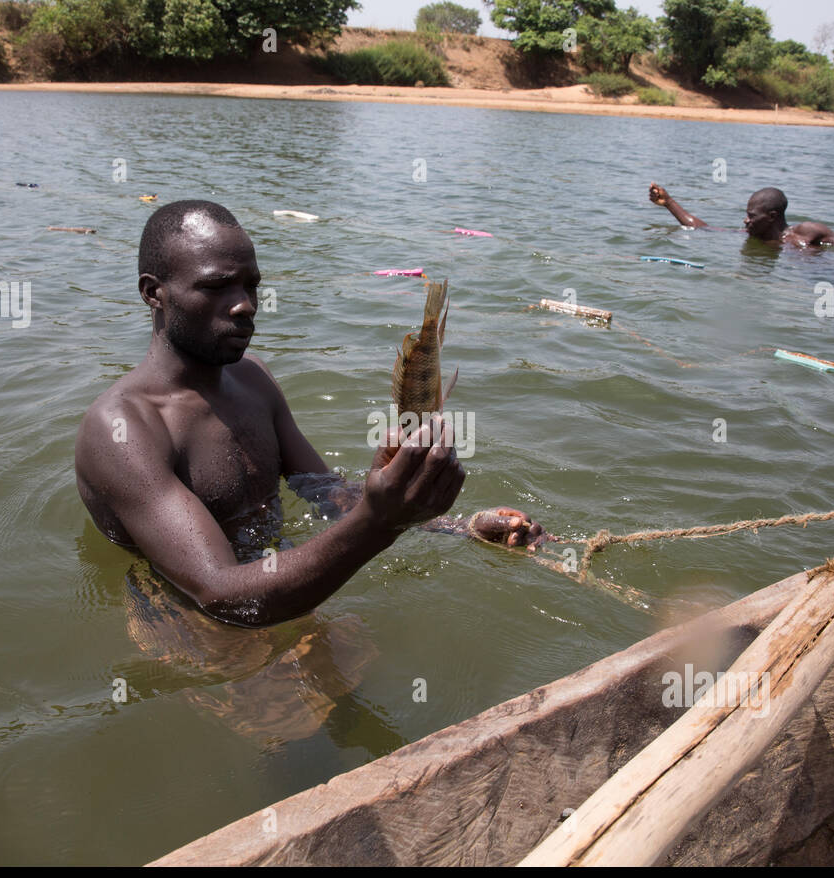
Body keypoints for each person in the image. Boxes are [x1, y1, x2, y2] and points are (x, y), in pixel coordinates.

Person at [75, 200, 544, 628]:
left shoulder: (252, 379)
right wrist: (378, 523)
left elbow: (327, 495)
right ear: (153, 293)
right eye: (217, 286)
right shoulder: (121, 431)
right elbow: (219, 594)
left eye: (251, 285)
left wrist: (456, 527)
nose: (245, 305)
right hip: (186, 617)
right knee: (299, 714)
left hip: (280, 588)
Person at [649, 183, 834, 256]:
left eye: (751, 216)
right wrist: (669, 202)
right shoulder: (753, 235)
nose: (745, 221)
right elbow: (704, 229)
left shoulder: (806, 233)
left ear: (772, 217)